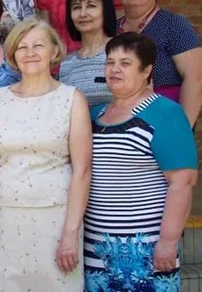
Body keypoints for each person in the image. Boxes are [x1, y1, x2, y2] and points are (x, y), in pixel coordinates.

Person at [84, 32, 198, 291]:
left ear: (146, 70)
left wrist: (168, 241)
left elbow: (182, 182)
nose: (115, 69)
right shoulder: (95, 115)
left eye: (125, 63)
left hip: (147, 249)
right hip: (96, 247)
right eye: (110, 62)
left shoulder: (165, 113)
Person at [0, 19, 91, 291]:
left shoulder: (72, 99)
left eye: (38, 46)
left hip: (56, 215)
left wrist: (71, 232)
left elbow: (82, 171)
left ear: (54, 51)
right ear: (13, 55)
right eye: (22, 47)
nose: (30, 53)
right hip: (5, 216)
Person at [115, 0, 202, 125]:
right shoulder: (112, 29)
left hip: (166, 118)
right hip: (121, 119)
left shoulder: (174, 25)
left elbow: (195, 79)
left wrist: (183, 128)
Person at [59, 0, 117, 109]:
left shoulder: (123, 52)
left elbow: (142, 101)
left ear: (106, 10)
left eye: (91, 6)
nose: (82, 14)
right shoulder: (66, 64)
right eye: (76, 7)